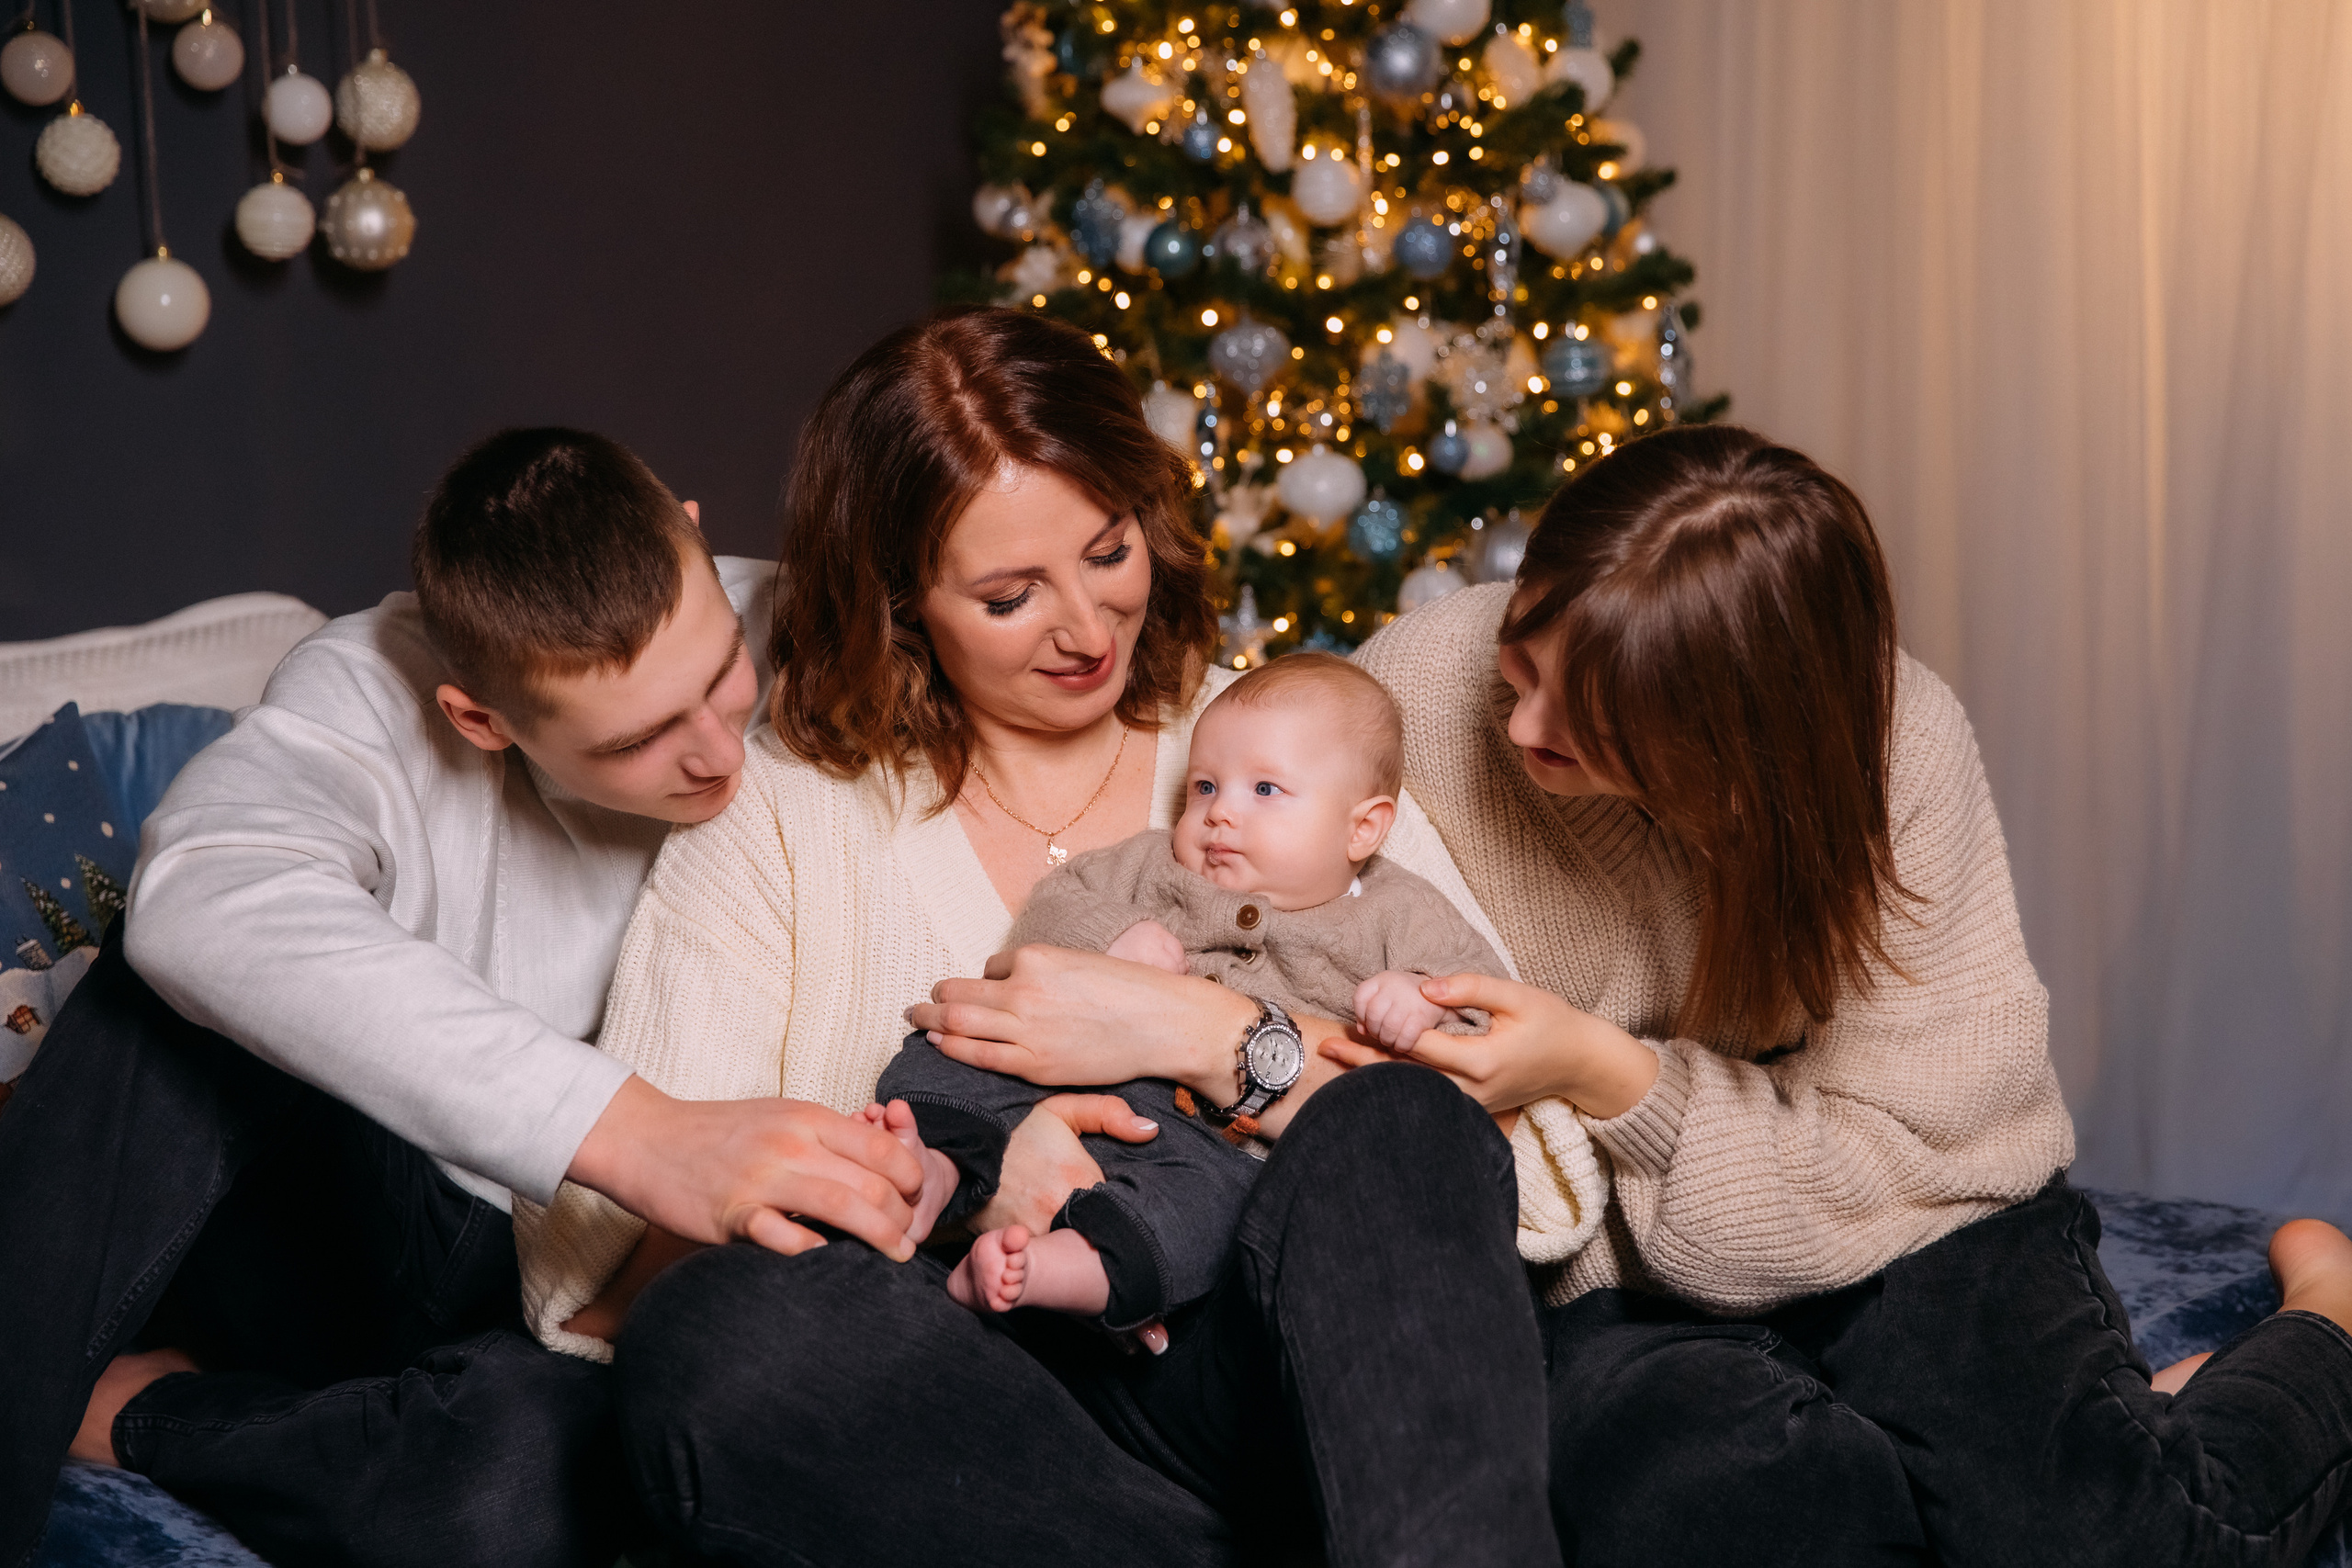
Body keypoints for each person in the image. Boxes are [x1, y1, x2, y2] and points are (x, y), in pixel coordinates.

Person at [524, 307, 1589, 1567]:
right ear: (900, 600)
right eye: (1012, 593)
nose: (1089, 627)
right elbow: (601, 1280)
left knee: (1401, 1115)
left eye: (1109, 549)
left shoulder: (1273, 743)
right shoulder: (781, 821)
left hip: (1271, 1368)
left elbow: (1536, 1176)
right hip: (982, 1401)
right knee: (722, 1338)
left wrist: (1206, 1033)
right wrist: (963, 1186)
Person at [1319, 423, 2352, 1565]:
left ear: (1738, 745)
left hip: (1913, 1204)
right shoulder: (1412, 685)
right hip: (1603, 1264)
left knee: (2133, 1542)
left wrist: (1606, 1072)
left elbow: (1918, 1135)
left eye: (1591, 723)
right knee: (1748, 1516)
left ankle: (2326, 1317)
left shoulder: (1898, 746)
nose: (1520, 728)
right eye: (1520, 659)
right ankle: (2107, 1435)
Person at [0, 428, 938, 1568]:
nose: (714, 751)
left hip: (561, 1307)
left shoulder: (815, 619)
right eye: (639, 738)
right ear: (478, 719)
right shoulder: (368, 680)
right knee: (162, 1000)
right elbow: (203, 893)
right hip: (362, 1219)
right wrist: (637, 1133)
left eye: (716, 678)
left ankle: (146, 1421)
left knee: (525, 1487)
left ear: (692, 531)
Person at [876, 650, 1531, 1328]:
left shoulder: (1400, 911)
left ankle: (1051, 1269)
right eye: (1206, 787)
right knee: (954, 1041)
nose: (1220, 814)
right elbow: (1051, 905)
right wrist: (1114, 932)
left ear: (1361, 826)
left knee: (1217, 1214)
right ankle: (935, 1168)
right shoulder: (1153, 862)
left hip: (1210, 1147)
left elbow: (1487, 1016)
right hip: (1068, 1084)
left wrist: (1420, 995)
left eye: (1265, 791)